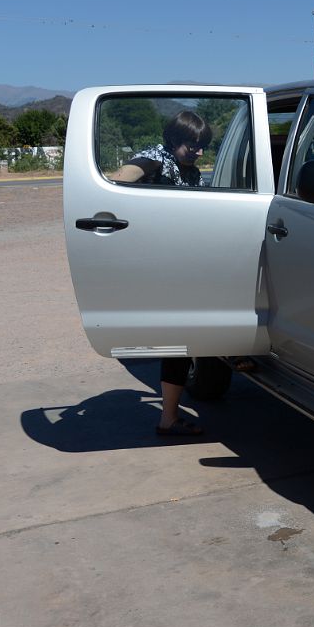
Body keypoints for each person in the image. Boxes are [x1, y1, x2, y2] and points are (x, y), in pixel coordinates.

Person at [112, 110, 212, 436]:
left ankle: (169, 415)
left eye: (202, 145)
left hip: (182, 265)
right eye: (192, 144)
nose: (198, 151)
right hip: (161, 267)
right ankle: (167, 418)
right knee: (178, 342)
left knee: (183, 341)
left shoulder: (191, 171)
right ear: (172, 140)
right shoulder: (157, 160)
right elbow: (119, 181)